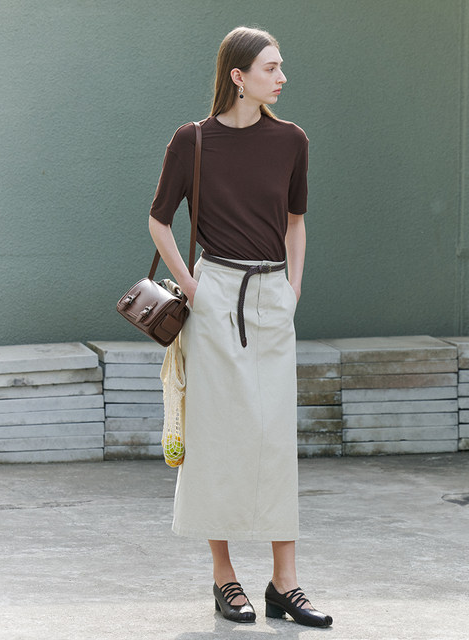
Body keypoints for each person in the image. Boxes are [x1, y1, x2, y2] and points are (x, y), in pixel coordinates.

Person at [149, 26, 332, 628]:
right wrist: (193, 287)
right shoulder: (193, 141)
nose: (281, 77)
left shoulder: (292, 140)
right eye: (270, 68)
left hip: (272, 294)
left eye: (280, 67)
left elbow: (296, 221)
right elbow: (158, 220)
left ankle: (285, 582)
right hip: (215, 293)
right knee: (216, 435)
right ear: (238, 76)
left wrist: (293, 289)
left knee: (274, 436)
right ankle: (224, 577)